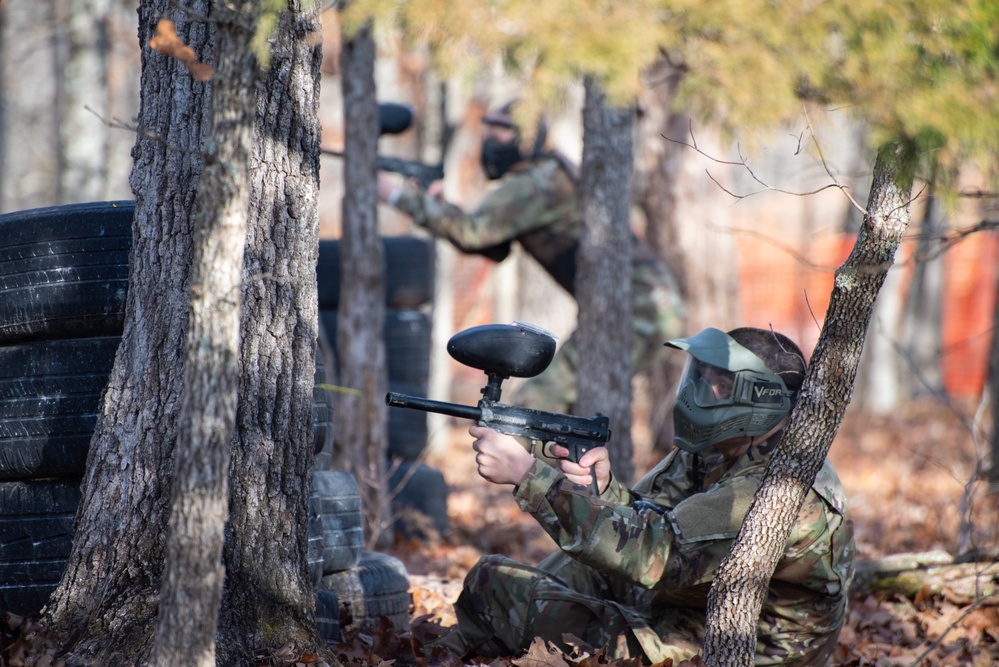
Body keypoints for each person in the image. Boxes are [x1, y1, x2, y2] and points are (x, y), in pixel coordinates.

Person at [431, 326, 856, 666]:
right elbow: (654, 522)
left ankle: (472, 648)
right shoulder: (720, 449)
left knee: (497, 585)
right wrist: (602, 489)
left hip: (745, 650)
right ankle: (469, 650)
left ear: (759, 399)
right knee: (569, 571)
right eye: (700, 378)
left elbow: (653, 555)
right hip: (692, 605)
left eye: (718, 386)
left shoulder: (773, 488)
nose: (697, 393)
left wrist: (529, 477)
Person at [377, 101, 685, 416]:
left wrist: (395, 194)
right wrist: (440, 208)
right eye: (489, 128)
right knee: (570, 407)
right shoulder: (546, 174)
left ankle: (525, 466)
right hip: (647, 303)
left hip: (639, 308)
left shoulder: (538, 181)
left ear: (529, 136)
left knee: (535, 404)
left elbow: (473, 233)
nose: (491, 139)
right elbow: (494, 246)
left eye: (502, 130)